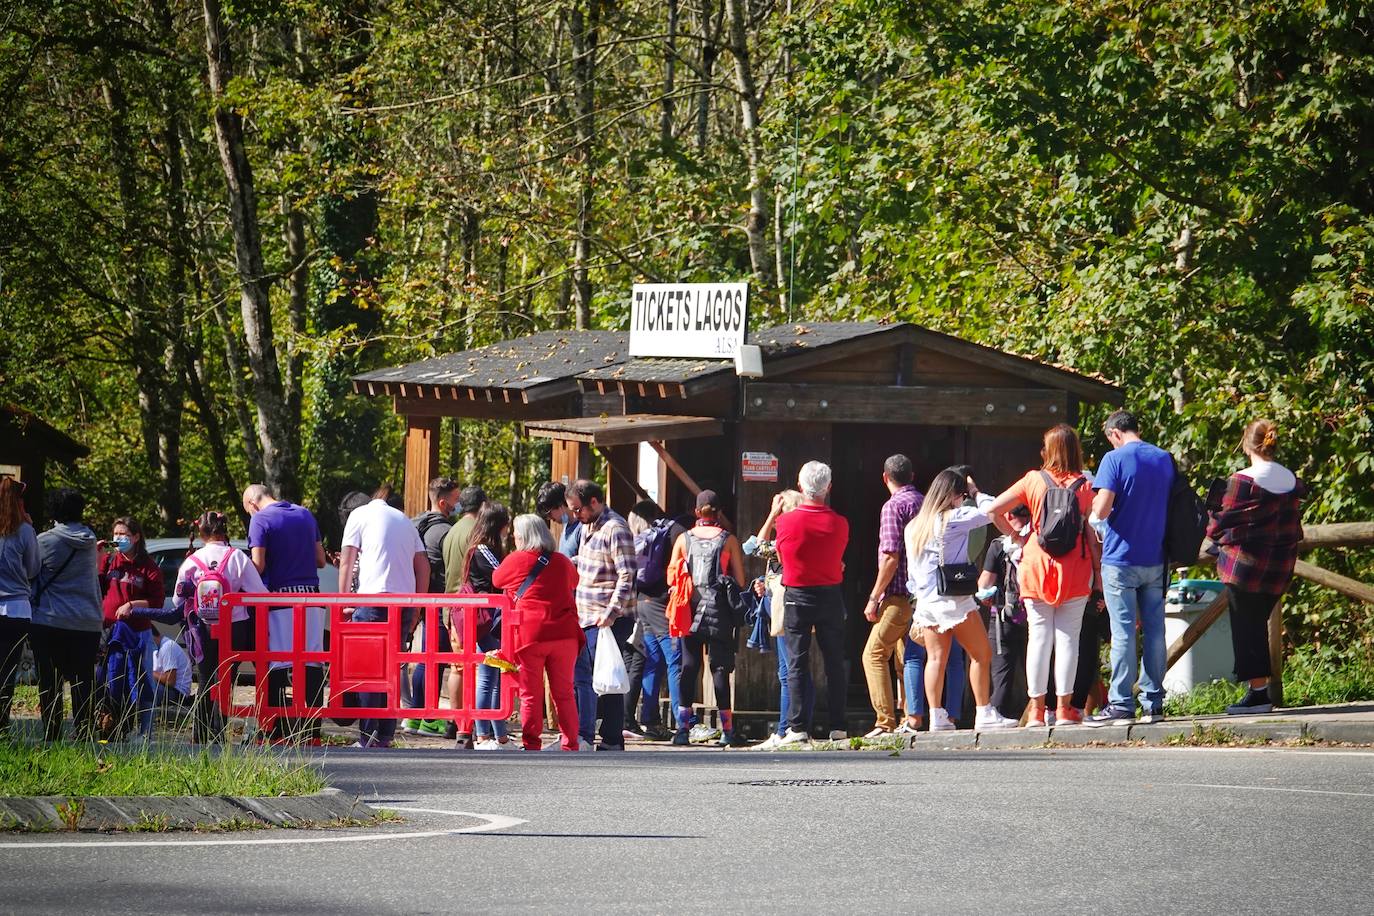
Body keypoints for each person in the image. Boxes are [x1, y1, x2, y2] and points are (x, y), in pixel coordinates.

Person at [986, 424, 1100, 727]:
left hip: (1036, 565)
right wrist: (1099, 576)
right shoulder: (1086, 486)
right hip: (1075, 568)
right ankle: (1064, 710)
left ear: (1046, 451)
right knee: (1068, 640)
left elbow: (993, 510)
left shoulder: (1032, 481)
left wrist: (1017, 536)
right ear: (1076, 450)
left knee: (1038, 638)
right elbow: (1091, 531)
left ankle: (1036, 711)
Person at [1206, 419, 1306, 715]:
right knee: (1257, 625)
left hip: (1245, 566)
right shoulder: (1290, 479)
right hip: (1280, 567)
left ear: (1246, 445)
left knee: (1246, 628)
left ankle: (1258, 694)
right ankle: (1259, 691)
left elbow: (1218, 524)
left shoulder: (1241, 481)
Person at [905, 469, 1018, 732]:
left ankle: (936, 716)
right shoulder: (955, 518)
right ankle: (984, 711)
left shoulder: (915, 526)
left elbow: (913, 571)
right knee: (981, 654)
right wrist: (976, 492)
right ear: (955, 495)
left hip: (927, 603)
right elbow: (992, 510)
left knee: (935, 660)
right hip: (954, 600)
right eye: (961, 495)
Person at [1085, 409, 1175, 726]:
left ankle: (1121, 703)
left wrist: (1095, 509)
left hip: (1121, 558)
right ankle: (1154, 703)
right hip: (1157, 558)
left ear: (1115, 434)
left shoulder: (1115, 459)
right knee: (1155, 631)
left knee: (1122, 632)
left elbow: (1103, 507)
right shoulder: (1164, 458)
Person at [157, 510, 266, 743]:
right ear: (224, 530)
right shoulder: (237, 557)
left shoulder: (192, 561)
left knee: (205, 678)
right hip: (235, 626)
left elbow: (177, 601)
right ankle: (219, 735)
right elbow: (260, 594)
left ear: (201, 532)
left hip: (201, 628)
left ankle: (200, 734)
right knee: (228, 678)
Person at [339, 488, 430, 748]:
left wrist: (343, 600)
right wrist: (417, 607)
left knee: (368, 671)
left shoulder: (359, 515)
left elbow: (347, 560)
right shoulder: (404, 520)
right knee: (391, 669)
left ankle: (366, 736)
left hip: (372, 601)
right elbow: (423, 565)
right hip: (403, 602)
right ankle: (386, 735)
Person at [772, 462, 851, 748]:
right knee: (834, 662)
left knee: (796, 662)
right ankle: (838, 727)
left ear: (800, 485)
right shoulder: (840, 523)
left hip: (797, 593)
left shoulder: (786, 522)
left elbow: (782, 558)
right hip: (830, 592)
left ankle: (798, 728)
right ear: (829, 487)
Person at [243, 483, 328, 741]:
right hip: (311, 598)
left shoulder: (259, 520)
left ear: (252, 504)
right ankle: (311, 730)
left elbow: (257, 565)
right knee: (312, 662)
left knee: (277, 663)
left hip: (280, 599)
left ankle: (276, 729)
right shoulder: (304, 514)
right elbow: (321, 560)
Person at [492, 514, 583, 750]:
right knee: (564, 693)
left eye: (515, 533)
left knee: (530, 694)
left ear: (522, 536)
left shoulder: (516, 560)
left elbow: (496, 579)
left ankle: (531, 743)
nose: (513, 537)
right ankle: (570, 743)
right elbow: (574, 581)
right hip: (564, 635)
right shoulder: (562, 561)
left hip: (529, 635)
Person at [667, 490, 747, 747]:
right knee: (719, 669)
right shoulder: (728, 540)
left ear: (696, 511)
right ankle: (727, 731)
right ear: (718, 511)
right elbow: (740, 581)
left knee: (689, 667)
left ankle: (682, 730)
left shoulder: (683, 539)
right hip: (719, 612)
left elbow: (671, 577)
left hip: (688, 610)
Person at [567, 479, 637, 751]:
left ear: (593, 502)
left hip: (608, 617)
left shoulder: (615, 527)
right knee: (596, 675)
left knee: (608, 676)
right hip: (586, 614)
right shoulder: (587, 527)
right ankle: (600, 734)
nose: (576, 515)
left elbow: (627, 573)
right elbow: (585, 563)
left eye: (578, 509)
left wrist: (612, 611)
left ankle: (611, 737)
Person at [30, 488, 103, 742]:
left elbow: (30, 573)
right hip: (87, 621)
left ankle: (52, 736)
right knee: (83, 681)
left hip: (51, 620)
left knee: (50, 682)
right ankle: (84, 736)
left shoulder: (44, 541)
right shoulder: (90, 539)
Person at [747, 489, 816, 750]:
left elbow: (752, 546)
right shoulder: (799, 538)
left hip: (787, 606)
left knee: (789, 672)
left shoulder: (786, 540)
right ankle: (797, 727)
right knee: (794, 670)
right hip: (792, 602)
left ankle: (787, 728)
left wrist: (772, 513)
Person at [860, 454, 923, 738]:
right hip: (922, 595)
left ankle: (884, 722)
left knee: (873, 654)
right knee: (904, 658)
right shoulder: (926, 503)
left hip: (898, 595)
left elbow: (890, 557)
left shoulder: (892, 506)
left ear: (885, 477)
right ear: (912, 476)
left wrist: (874, 597)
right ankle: (909, 718)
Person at [98, 516, 164, 741]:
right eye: (116, 534)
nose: (118, 538)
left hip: (137, 632)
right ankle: (111, 726)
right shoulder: (108, 561)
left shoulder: (148, 567)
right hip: (109, 631)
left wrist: (132, 605)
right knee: (109, 679)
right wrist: (96, 558)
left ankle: (146, 732)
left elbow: (157, 602)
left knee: (142, 679)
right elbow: (95, 588)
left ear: (136, 537)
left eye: (124, 535)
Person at [403, 477, 459, 739]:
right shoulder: (445, 531)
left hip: (420, 598)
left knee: (426, 657)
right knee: (435, 659)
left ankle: (414, 715)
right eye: (455, 500)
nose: (457, 505)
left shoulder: (416, 524)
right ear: (442, 501)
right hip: (439, 598)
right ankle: (429, 717)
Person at [626, 499, 685, 741]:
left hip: (641, 603)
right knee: (675, 661)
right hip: (661, 604)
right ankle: (685, 723)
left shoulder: (637, 537)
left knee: (653, 662)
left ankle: (651, 721)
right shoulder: (675, 531)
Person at [458, 501, 514, 749]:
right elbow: (504, 574)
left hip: (486, 620)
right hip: (489, 620)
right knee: (490, 675)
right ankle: (485, 734)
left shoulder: (476, 547)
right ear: (497, 524)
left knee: (493, 673)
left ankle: (495, 734)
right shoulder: (483, 549)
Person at [976, 505, 1032, 722]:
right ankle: (1042, 713)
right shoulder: (1036, 543)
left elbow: (985, 583)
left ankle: (997, 714)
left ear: (1008, 516)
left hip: (1003, 618)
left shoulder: (999, 545)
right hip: (1036, 616)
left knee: (1001, 675)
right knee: (1038, 670)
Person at [0, 477, 39, 733]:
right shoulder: (25, 530)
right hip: (15, 608)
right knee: (6, 670)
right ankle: (2, 722)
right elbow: (34, 568)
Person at [536, 481, 581, 560]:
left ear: (560, 505)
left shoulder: (581, 528)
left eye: (550, 514)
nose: (550, 519)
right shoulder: (566, 526)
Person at [149, 629, 192, 711]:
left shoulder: (167, 647)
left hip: (177, 693)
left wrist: (149, 672)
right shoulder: (155, 650)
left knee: (144, 690)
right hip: (165, 688)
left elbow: (170, 681)